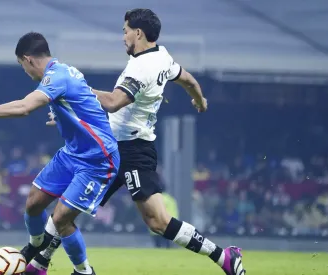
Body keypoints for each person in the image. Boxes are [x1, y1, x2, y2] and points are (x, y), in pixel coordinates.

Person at [26, 9, 246, 275]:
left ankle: (223, 256)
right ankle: (42, 265)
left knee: (158, 222)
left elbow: (113, 102)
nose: (123, 37)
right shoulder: (162, 57)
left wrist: (71, 91)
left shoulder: (143, 67)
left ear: (138, 33)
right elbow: (186, 78)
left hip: (132, 149)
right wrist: (199, 99)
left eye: (125, 31)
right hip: (108, 145)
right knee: (66, 209)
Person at [0, 32, 120, 275]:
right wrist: (63, 118)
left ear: (28, 59)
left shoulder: (57, 76)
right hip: (72, 153)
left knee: (61, 218)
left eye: (22, 65)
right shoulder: (64, 72)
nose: (25, 72)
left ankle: (84, 271)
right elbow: (83, 104)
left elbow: (24, 107)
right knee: (33, 203)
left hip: (98, 159)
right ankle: (36, 245)